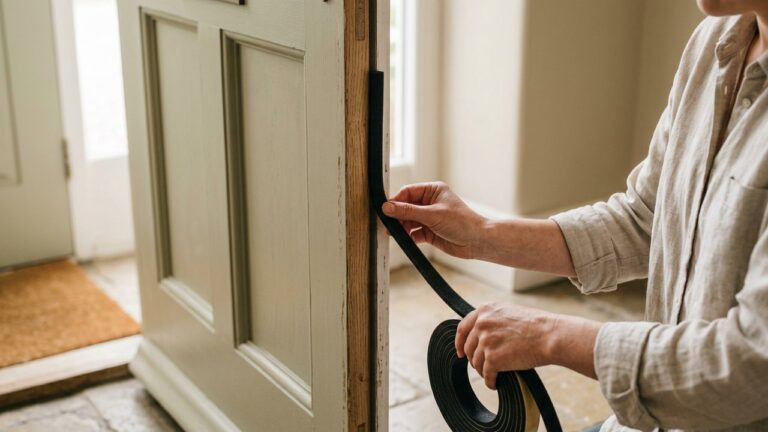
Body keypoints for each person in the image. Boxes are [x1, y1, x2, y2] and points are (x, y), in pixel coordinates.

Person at [381, 1, 768, 431]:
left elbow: (753, 361)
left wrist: (548, 336)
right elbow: (646, 219)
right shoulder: (714, 42)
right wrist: (482, 234)